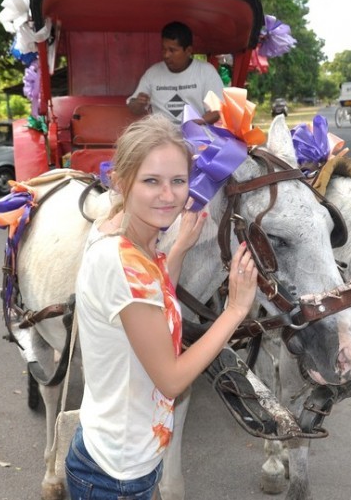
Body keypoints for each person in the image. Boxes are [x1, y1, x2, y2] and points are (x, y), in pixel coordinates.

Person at [66, 114, 258, 499]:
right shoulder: (124, 263)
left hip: (118, 455)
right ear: (121, 182)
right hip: (115, 476)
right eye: (151, 181)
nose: (168, 196)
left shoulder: (123, 235)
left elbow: (149, 302)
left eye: (178, 181)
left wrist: (179, 250)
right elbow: (171, 379)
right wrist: (234, 311)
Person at [127, 21, 225, 125]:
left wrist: (194, 124)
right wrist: (138, 103)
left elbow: (217, 110)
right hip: (161, 135)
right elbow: (134, 108)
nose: (166, 55)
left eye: (172, 50)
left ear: (188, 50)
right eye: (164, 49)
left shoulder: (206, 71)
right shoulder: (153, 73)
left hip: (195, 134)